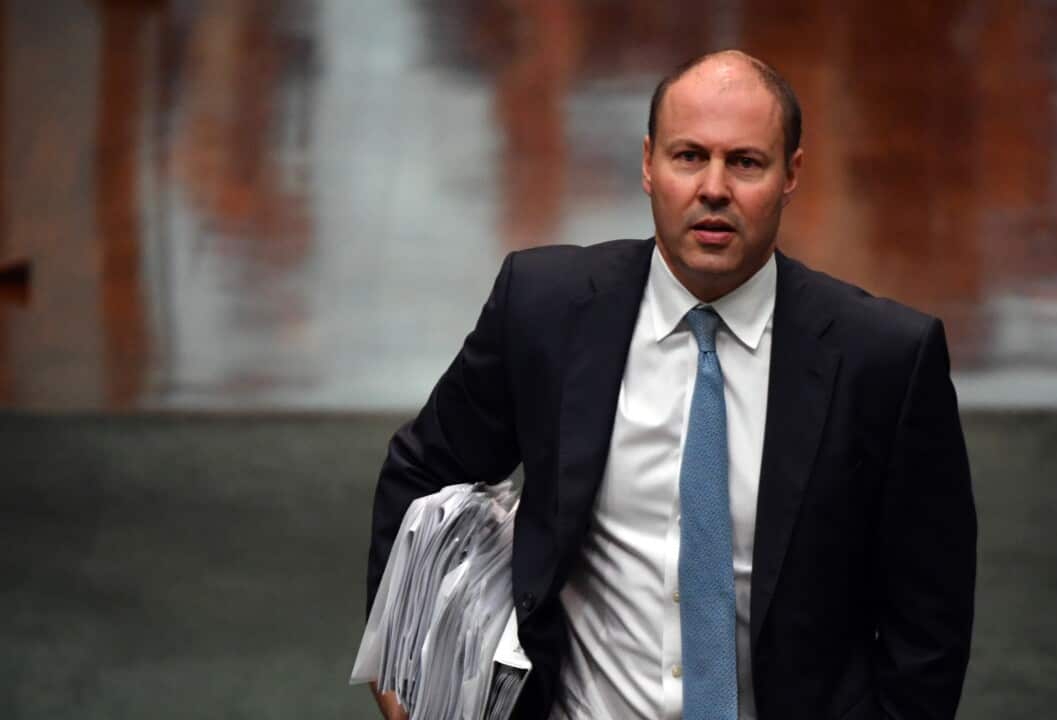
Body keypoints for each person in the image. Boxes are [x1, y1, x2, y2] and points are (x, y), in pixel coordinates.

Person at [366, 49, 976, 720]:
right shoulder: (544, 309)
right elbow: (425, 469)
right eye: (690, 157)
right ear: (649, 165)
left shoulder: (885, 360)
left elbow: (929, 622)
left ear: (791, 175)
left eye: (745, 162)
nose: (714, 188)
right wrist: (404, 659)